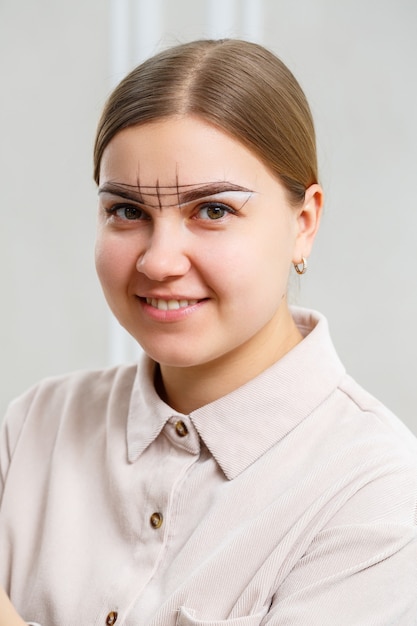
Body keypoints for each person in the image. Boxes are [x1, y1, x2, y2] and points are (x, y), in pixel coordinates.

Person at [0, 38, 416, 626]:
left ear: (304, 223)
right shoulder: (36, 426)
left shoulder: (375, 492)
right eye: (127, 211)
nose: (158, 261)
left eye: (213, 210)